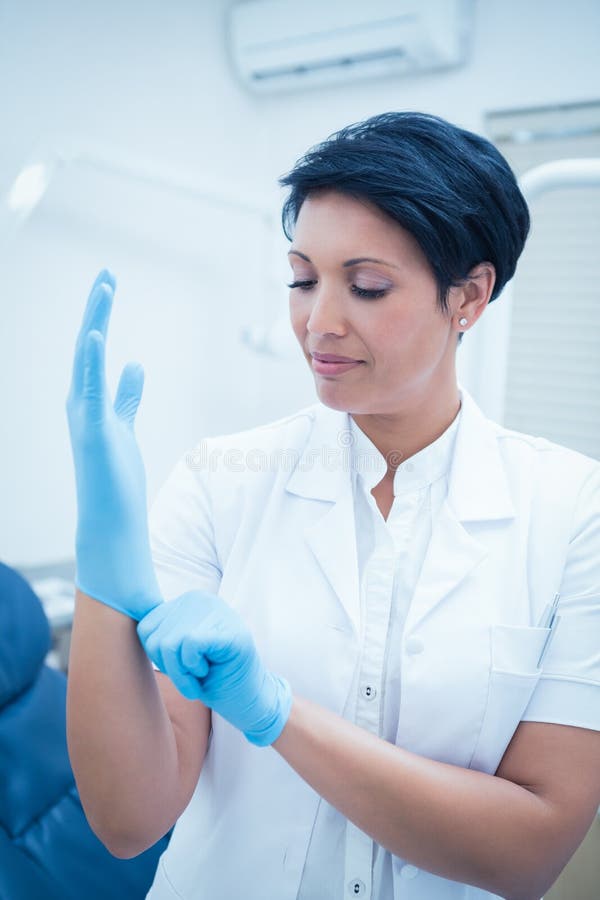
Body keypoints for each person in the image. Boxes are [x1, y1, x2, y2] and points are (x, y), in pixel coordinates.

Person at [65, 111, 600, 900]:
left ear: (470, 296)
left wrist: (275, 713)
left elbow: (530, 853)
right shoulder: (221, 481)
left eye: (367, 286)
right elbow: (127, 821)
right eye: (303, 279)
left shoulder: (573, 512)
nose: (318, 322)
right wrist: (100, 572)